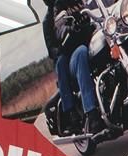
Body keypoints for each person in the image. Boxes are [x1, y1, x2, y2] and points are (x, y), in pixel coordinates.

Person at [42, 0, 104, 136]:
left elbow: (94, 11)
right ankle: (91, 113)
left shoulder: (78, 2)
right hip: (70, 57)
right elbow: (54, 43)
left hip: (90, 44)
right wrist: (66, 38)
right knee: (73, 55)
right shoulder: (52, 17)